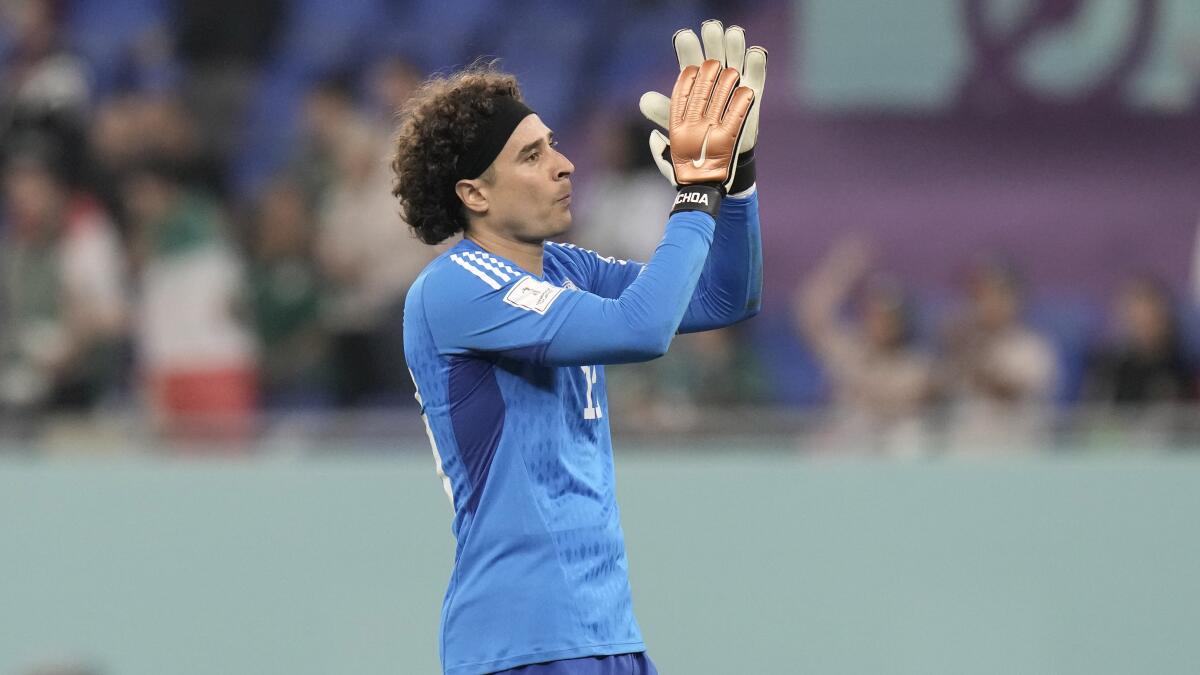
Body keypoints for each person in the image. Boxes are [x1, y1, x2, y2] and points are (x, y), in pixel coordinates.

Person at [391, 21, 765, 675]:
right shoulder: (452, 290)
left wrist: (733, 185)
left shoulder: (567, 269)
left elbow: (721, 299)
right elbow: (641, 330)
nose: (564, 164)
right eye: (531, 156)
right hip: (522, 641)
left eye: (553, 145)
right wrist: (694, 187)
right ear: (474, 194)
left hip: (607, 631)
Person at [793, 236, 934, 456]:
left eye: (888, 317)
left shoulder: (914, 363)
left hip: (888, 453)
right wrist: (843, 267)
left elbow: (895, 397)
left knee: (910, 441)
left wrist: (857, 373)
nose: (880, 323)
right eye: (875, 314)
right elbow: (811, 314)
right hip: (848, 449)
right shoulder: (851, 348)